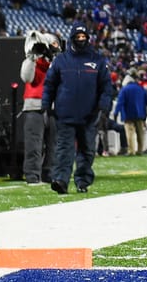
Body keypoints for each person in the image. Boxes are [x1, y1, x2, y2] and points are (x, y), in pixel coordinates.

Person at [42, 24, 112, 194]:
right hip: (65, 113)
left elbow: (106, 86)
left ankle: (83, 180)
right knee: (64, 149)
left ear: (88, 38)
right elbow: (49, 84)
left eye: (84, 37)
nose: (81, 40)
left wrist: (103, 106)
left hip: (90, 114)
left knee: (87, 150)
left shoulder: (98, 60)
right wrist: (46, 104)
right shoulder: (61, 60)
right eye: (78, 37)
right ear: (72, 38)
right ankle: (61, 180)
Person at [20, 31, 60, 185]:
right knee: (33, 145)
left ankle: (49, 173)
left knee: (53, 145)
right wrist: (31, 57)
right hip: (34, 106)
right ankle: (32, 175)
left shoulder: (57, 64)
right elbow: (26, 77)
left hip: (54, 107)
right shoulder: (32, 62)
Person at [113, 73, 147, 156]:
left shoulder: (124, 90)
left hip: (127, 115)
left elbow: (120, 103)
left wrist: (116, 114)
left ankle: (131, 151)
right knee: (140, 133)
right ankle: (140, 150)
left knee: (130, 133)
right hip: (140, 114)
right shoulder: (141, 89)